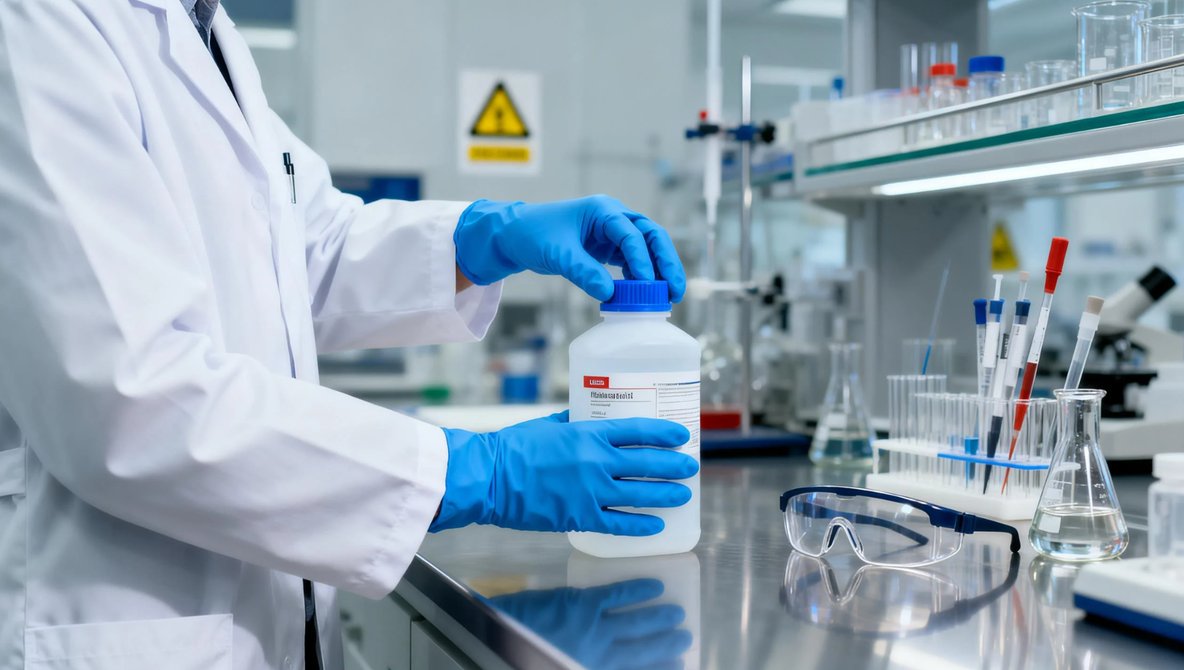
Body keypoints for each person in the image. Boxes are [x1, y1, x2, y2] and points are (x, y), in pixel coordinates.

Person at [0, 2, 697, 669]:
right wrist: (470, 473)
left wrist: (481, 238)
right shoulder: (42, 23)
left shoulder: (207, 33)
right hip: (120, 621)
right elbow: (130, 399)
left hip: (261, 611)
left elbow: (301, 248)